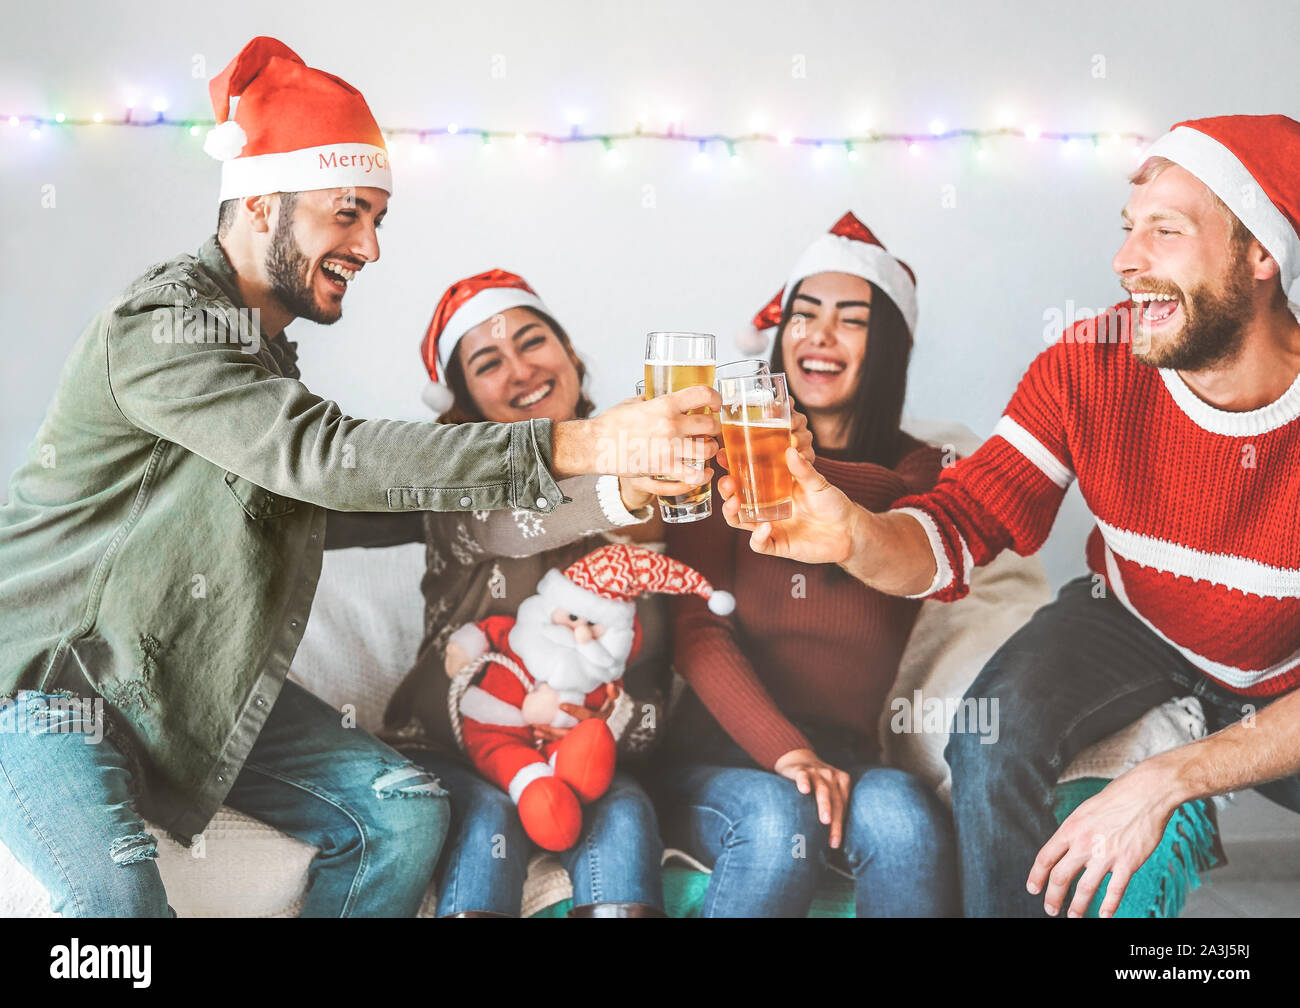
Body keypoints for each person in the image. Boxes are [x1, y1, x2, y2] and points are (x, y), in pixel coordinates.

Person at [0, 37, 719, 918]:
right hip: (50, 690)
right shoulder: (166, 329)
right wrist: (582, 444)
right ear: (262, 201)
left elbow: (372, 506)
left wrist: (613, 493)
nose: (371, 246)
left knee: (403, 808)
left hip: (179, 689)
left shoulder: (261, 360)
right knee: (118, 920)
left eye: (378, 217)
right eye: (349, 213)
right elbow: (326, 459)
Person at [716, 116, 1300, 918]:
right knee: (988, 739)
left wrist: (1169, 775)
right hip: (1129, 619)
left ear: (1261, 254)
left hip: (1286, 667)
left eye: (1165, 231)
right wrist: (854, 535)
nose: (1126, 262)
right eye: (1129, 230)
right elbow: (961, 520)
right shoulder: (1089, 362)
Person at [653, 213, 959, 917]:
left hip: (849, 753)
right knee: (775, 819)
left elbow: (905, 518)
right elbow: (699, 628)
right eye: (804, 314)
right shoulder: (724, 458)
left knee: (906, 820)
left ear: (889, 349)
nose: (819, 335)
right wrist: (787, 752)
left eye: (851, 320)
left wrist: (806, 469)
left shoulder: (923, 473)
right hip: (719, 753)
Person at [358, 269, 682, 917]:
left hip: (578, 752)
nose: (520, 369)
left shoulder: (642, 485)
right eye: (488, 363)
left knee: (625, 816)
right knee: (489, 818)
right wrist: (627, 488)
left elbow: (649, 662)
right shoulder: (458, 488)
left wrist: (605, 727)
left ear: (572, 358)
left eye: (533, 342)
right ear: (464, 404)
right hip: (454, 746)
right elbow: (518, 523)